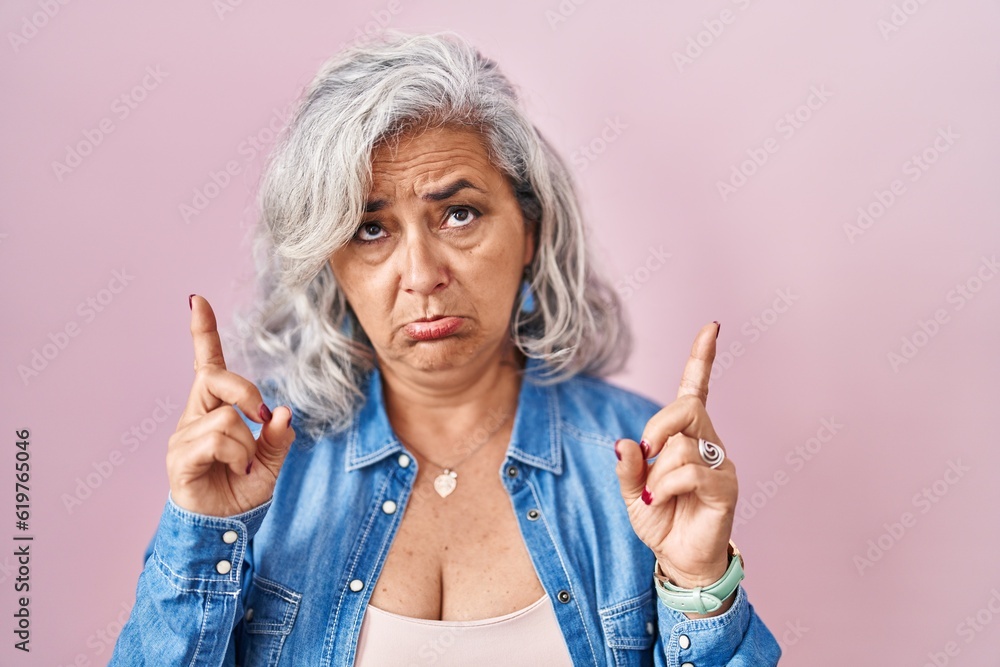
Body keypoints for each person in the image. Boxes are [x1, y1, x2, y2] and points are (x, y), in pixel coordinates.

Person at [110, 29, 781, 666]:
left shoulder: (643, 462)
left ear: (530, 231)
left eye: (459, 214)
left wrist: (699, 581)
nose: (423, 273)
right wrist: (199, 534)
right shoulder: (255, 474)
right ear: (331, 266)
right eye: (371, 229)